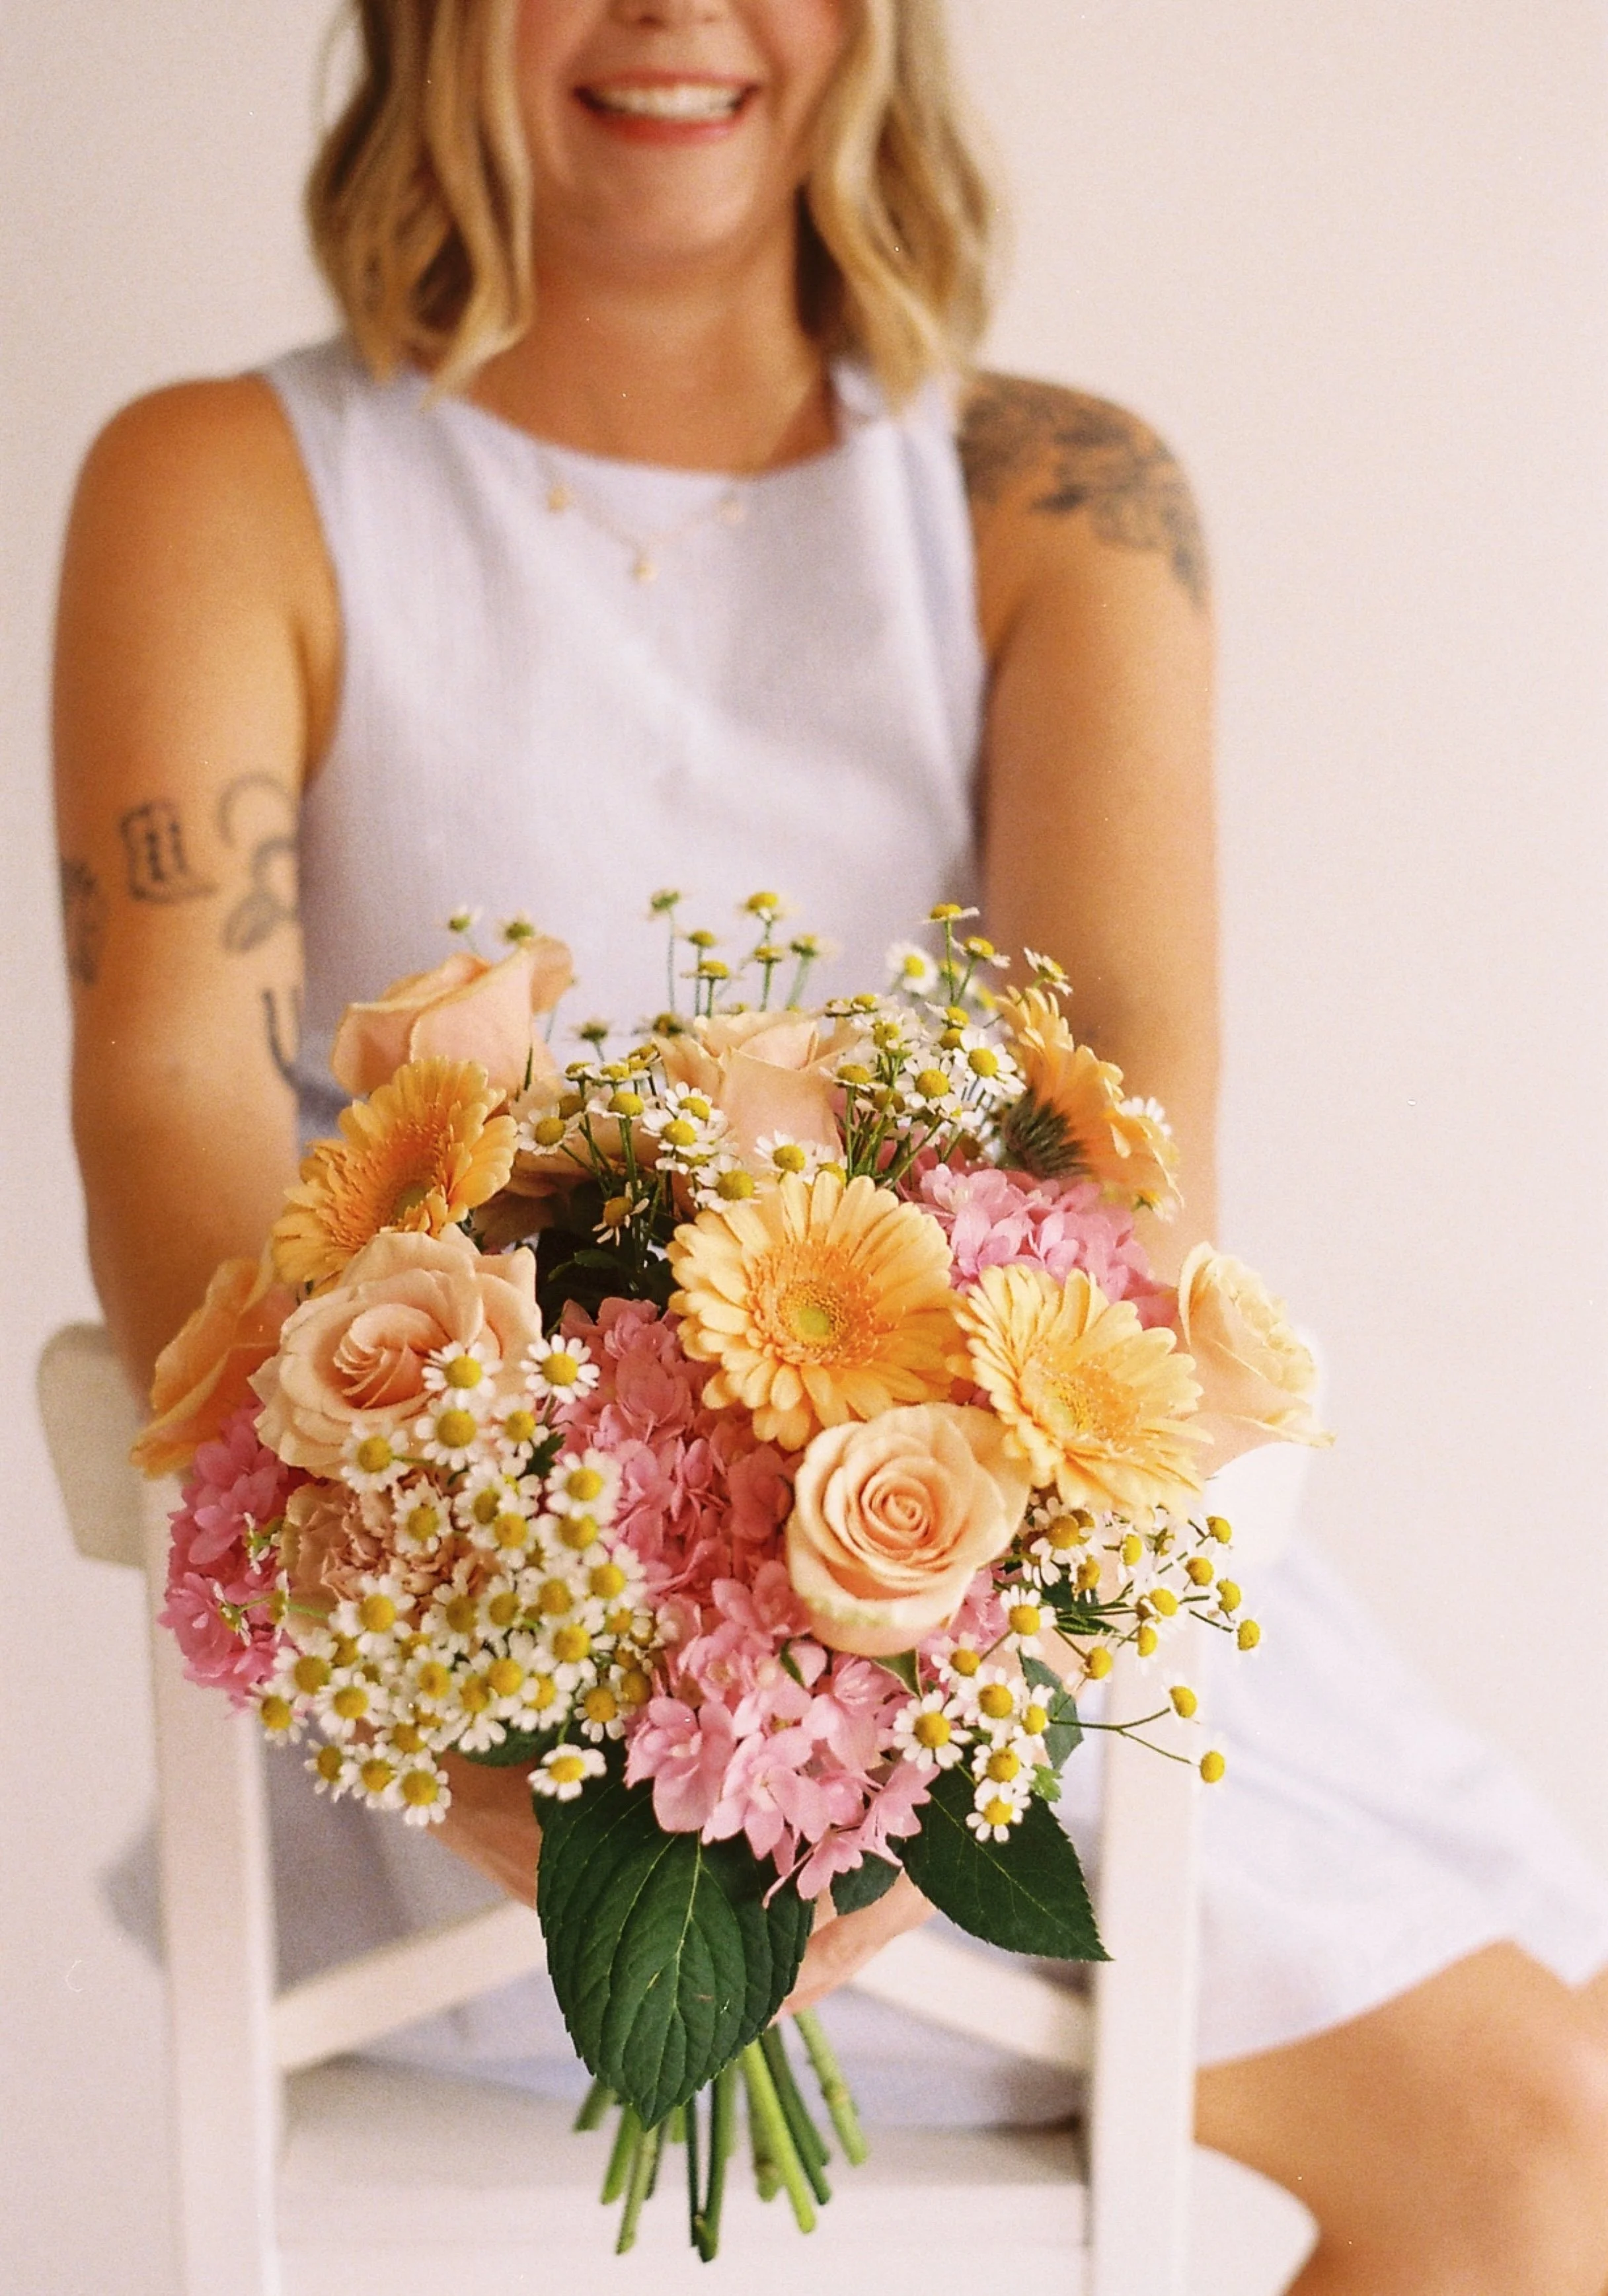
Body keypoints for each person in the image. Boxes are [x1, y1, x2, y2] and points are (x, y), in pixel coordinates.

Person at [53, 3, 1608, 2287]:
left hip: (976, 1590)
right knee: (1536, 2153)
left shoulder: (1058, 495)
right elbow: (176, 1096)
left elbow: (1128, 1158)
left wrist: (886, 1656)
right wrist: (488, 1645)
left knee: (1563, 2130)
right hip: (452, 1620)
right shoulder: (227, 476)